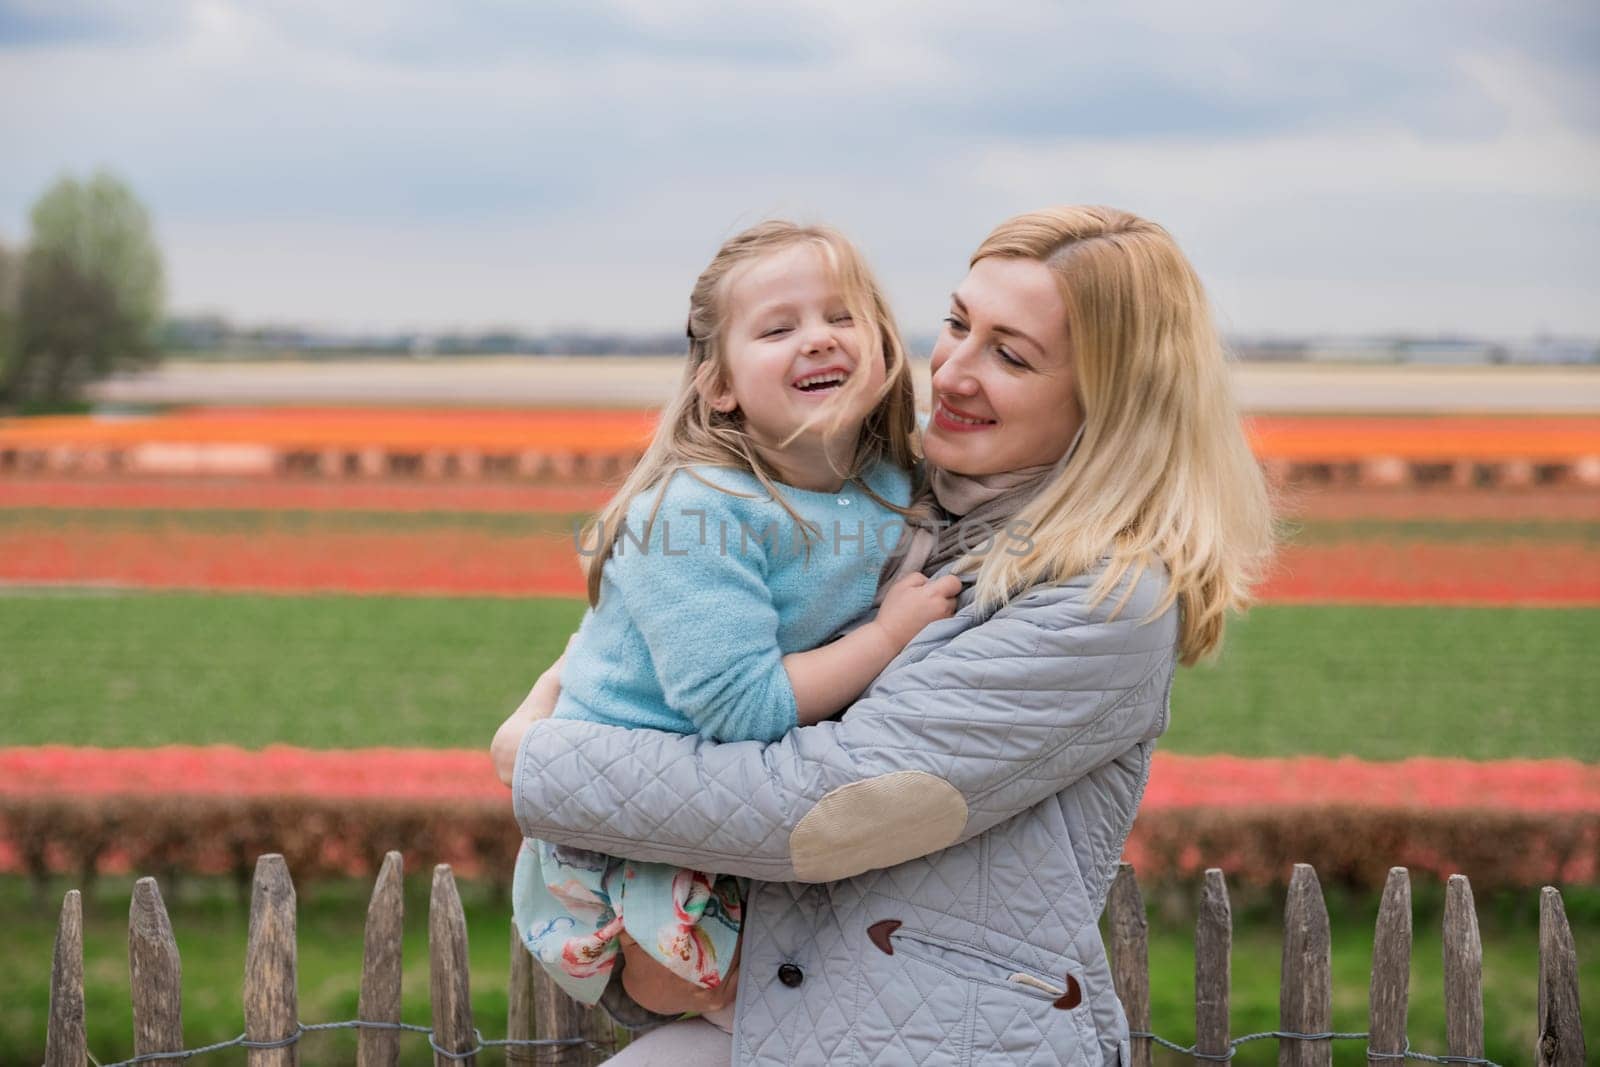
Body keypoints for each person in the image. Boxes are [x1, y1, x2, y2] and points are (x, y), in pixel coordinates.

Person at [493, 205, 1276, 1065]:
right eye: (956, 324)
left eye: (1010, 355)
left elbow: (826, 808)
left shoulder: (1107, 599)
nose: (952, 370)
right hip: (803, 1020)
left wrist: (536, 755)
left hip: (944, 1041)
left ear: (1114, 406)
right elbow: (675, 628)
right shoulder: (903, 502)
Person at [507, 219, 967, 1033]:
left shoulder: (892, 481)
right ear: (719, 385)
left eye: (842, 316)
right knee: (719, 1003)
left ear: (886, 346)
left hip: (737, 806)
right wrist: (890, 637)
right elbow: (745, 708)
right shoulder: (698, 511)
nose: (819, 339)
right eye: (780, 327)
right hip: (634, 828)